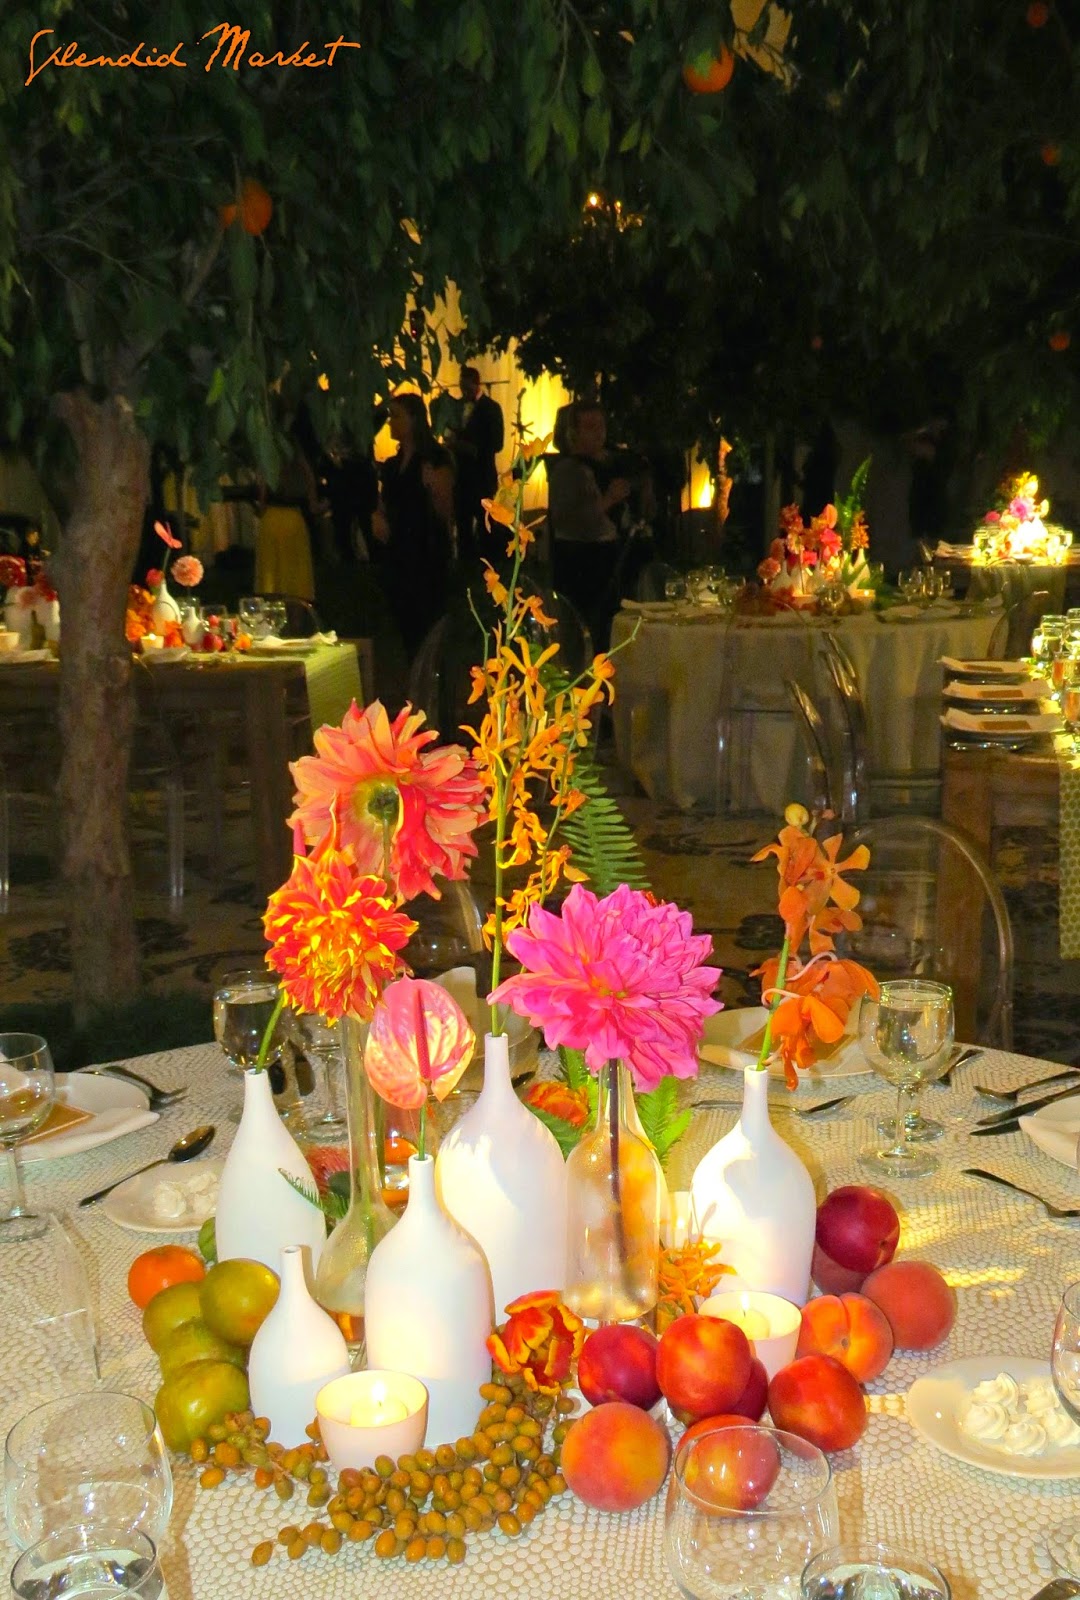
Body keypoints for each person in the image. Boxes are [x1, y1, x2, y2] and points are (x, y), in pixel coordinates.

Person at [370, 392, 454, 657]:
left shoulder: (434, 458)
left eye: (396, 416)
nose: (391, 422)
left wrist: (433, 487)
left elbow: (445, 511)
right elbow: (385, 502)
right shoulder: (393, 465)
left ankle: (429, 676)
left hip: (426, 549)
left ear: (414, 420)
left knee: (428, 626)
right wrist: (378, 517)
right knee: (405, 624)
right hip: (399, 550)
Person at [546, 401, 632, 650]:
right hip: (580, 564)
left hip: (608, 559)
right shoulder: (567, 470)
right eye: (590, 427)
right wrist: (608, 499)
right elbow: (568, 519)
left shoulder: (610, 464)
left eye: (601, 426)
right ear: (574, 433)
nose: (599, 433)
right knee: (586, 634)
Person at [446, 366, 504, 565]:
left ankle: (488, 564)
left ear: (476, 384)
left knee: (485, 523)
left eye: (467, 388)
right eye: (461, 388)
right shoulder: (456, 407)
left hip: (482, 476)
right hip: (461, 475)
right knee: (462, 523)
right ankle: (466, 564)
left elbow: (497, 443)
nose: (464, 392)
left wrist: (472, 448)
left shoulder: (491, 408)